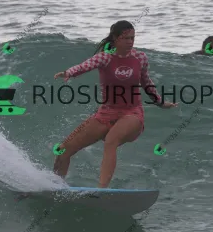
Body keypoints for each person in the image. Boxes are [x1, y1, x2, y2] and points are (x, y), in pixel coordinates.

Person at [52, 20, 177, 188]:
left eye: (132, 38)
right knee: (64, 149)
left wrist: (160, 103)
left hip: (132, 113)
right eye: (126, 38)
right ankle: (54, 187)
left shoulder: (140, 58)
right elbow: (85, 65)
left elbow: (146, 82)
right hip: (106, 113)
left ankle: (101, 191)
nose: (130, 42)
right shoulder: (105, 57)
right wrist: (69, 72)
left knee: (112, 139)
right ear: (115, 38)